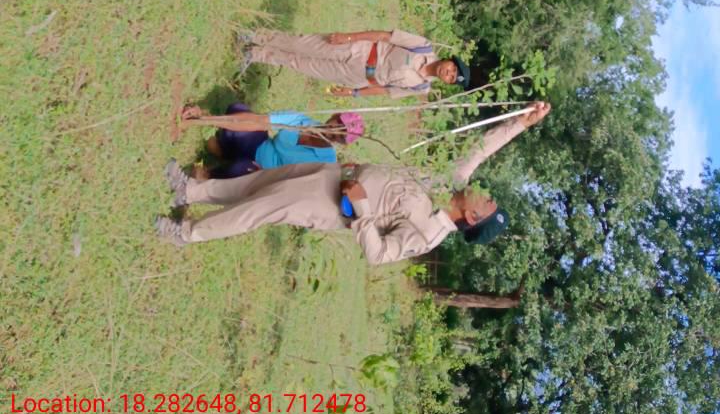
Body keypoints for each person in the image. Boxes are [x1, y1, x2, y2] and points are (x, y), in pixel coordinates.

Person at [154, 101, 551, 260]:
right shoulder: (450, 181)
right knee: (258, 185)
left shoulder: (428, 233)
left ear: (473, 218)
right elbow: (480, 149)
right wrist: (521, 123)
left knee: (259, 208)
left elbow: (379, 254)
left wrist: (361, 206)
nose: (484, 193)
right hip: (333, 173)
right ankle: (191, 190)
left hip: (331, 206)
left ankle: (186, 233)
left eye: (487, 202)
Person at [240, 28, 473, 99]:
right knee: (304, 44)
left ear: (447, 82)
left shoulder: (422, 87)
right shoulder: (423, 46)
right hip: (360, 50)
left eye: (451, 78)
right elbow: (384, 36)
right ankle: (256, 36)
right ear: (448, 60)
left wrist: (353, 93)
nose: (448, 73)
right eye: (452, 69)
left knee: (301, 64)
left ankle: (255, 54)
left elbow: (386, 90)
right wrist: (349, 37)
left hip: (357, 77)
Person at [175, 102, 365, 180]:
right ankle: (223, 148)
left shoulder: (327, 162)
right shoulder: (302, 121)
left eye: (339, 136)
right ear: (334, 116)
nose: (332, 132)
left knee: (239, 170)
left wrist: (265, 177)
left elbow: (296, 185)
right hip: (260, 146)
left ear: (341, 143)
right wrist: (204, 119)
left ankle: (207, 175)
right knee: (238, 109)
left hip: (264, 173)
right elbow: (259, 121)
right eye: (336, 125)